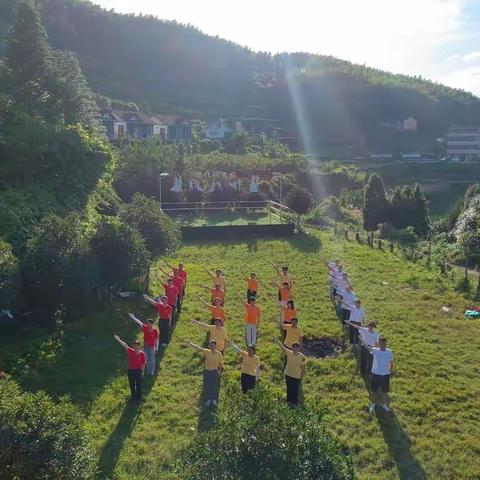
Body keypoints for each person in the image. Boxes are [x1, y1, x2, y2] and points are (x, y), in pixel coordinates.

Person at [184, 340, 223, 406]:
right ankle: (208, 399)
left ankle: (214, 400)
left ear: (215, 346)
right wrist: (190, 343)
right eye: (210, 346)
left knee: (214, 386)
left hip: (214, 372)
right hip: (207, 372)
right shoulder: (207, 352)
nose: (212, 347)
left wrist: (220, 372)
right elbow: (198, 348)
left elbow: (220, 364)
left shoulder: (219, 354)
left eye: (213, 346)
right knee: (207, 386)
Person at [365, 337, 394, 413]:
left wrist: (390, 372)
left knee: (384, 391)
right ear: (379, 343)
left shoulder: (389, 352)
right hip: (375, 374)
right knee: (374, 391)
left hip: (385, 375)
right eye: (381, 343)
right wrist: (361, 339)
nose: (383, 345)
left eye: (384, 343)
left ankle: (383, 404)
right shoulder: (375, 350)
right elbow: (367, 347)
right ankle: (373, 404)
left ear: (386, 343)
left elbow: (391, 362)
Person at [114, 334, 146, 400]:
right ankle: (133, 397)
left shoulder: (142, 353)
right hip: (131, 371)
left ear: (139, 346)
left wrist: (142, 372)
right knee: (132, 385)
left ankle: (139, 396)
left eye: (138, 345)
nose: (136, 346)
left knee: (139, 384)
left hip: (138, 371)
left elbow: (143, 363)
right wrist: (119, 340)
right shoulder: (130, 351)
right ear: (133, 346)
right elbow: (125, 345)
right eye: (135, 345)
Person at [274, 339, 306, 406]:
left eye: (297, 348)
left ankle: (294, 402)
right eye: (294, 348)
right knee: (289, 388)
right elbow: (282, 347)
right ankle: (289, 401)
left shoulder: (302, 356)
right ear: (292, 348)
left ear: (299, 348)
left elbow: (303, 368)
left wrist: (301, 377)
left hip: (296, 376)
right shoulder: (289, 353)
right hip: (288, 374)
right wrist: (277, 341)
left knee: (295, 390)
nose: (295, 349)